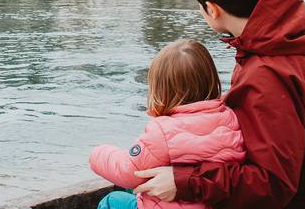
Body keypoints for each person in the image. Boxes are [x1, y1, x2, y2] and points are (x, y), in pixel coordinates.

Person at [134, 0, 305, 208]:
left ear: (212, 9)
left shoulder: (265, 74)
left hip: (301, 202)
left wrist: (185, 181)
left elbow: (273, 184)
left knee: (116, 201)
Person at [89, 39, 246, 209]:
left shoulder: (162, 131)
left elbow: (129, 172)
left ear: (160, 90)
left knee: (112, 201)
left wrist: (98, 153)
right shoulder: (230, 118)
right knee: (131, 189)